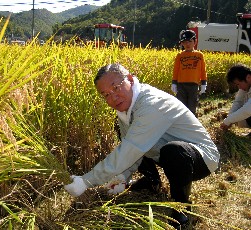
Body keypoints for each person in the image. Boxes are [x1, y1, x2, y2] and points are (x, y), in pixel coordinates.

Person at [64, 63, 220, 228]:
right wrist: (123, 177)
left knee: (173, 151)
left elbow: (131, 149)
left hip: (200, 158)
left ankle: (181, 208)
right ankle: (153, 182)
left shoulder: (151, 104)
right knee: (139, 141)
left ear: (130, 79)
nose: (112, 98)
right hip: (162, 151)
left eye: (116, 88)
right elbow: (129, 146)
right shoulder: (125, 109)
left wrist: (86, 181)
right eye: (106, 95)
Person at [171, 29, 207, 115]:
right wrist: (174, 83)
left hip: (194, 85)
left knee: (192, 106)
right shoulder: (180, 56)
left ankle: (192, 123)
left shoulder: (199, 55)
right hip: (181, 85)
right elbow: (176, 70)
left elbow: (203, 70)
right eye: (184, 42)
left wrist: (203, 83)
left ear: (195, 41)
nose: (187, 44)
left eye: (189, 41)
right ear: (182, 43)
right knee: (181, 106)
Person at [220, 63, 251, 131]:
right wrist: (229, 119)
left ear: (248, 77)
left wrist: (228, 121)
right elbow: (238, 102)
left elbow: (248, 110)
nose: (239, 87)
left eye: (238, 84)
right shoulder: (245, 87)